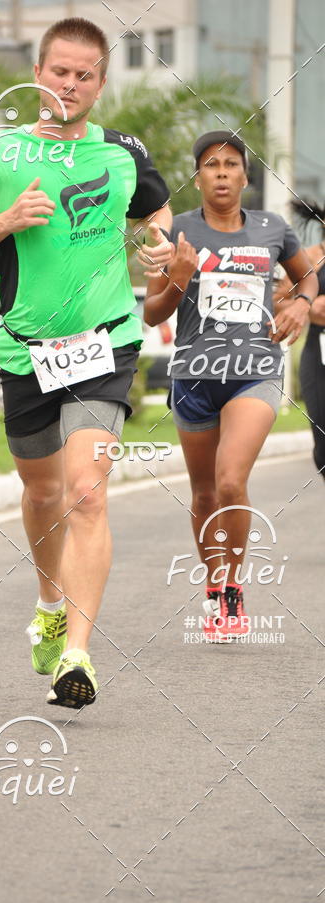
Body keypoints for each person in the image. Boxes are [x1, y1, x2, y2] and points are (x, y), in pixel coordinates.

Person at [0, 18, 173, 706]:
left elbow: (159, 223)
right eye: (59, 71)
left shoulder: (124, 151)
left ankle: (78, 653)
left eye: (85, 75)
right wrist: (5, 220)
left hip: (105, 344)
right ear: (37, 73)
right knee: (42, 495)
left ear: (101, 82)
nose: (70, 84)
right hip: (26, 352)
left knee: (87, 492)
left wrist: (162, 254)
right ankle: (48, 601)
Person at [144, 131, 317, 642]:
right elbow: (152, 311)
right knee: (201, 494)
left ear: (245, 176)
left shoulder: (273, 229)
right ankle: (214, 583)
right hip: (194, 375)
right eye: (211, 164)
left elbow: (307, 278)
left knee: (229, 483)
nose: (221, 172)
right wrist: (177, 275)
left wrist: (301, 304)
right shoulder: (178, 230)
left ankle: (232, 587)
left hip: (256, 370)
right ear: (197, 177)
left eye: (231, 164)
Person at [274, 200, 325, 482]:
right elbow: (277, 301)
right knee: (322, 445)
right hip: (318, 351)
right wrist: (307, 304)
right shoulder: (309, 258)